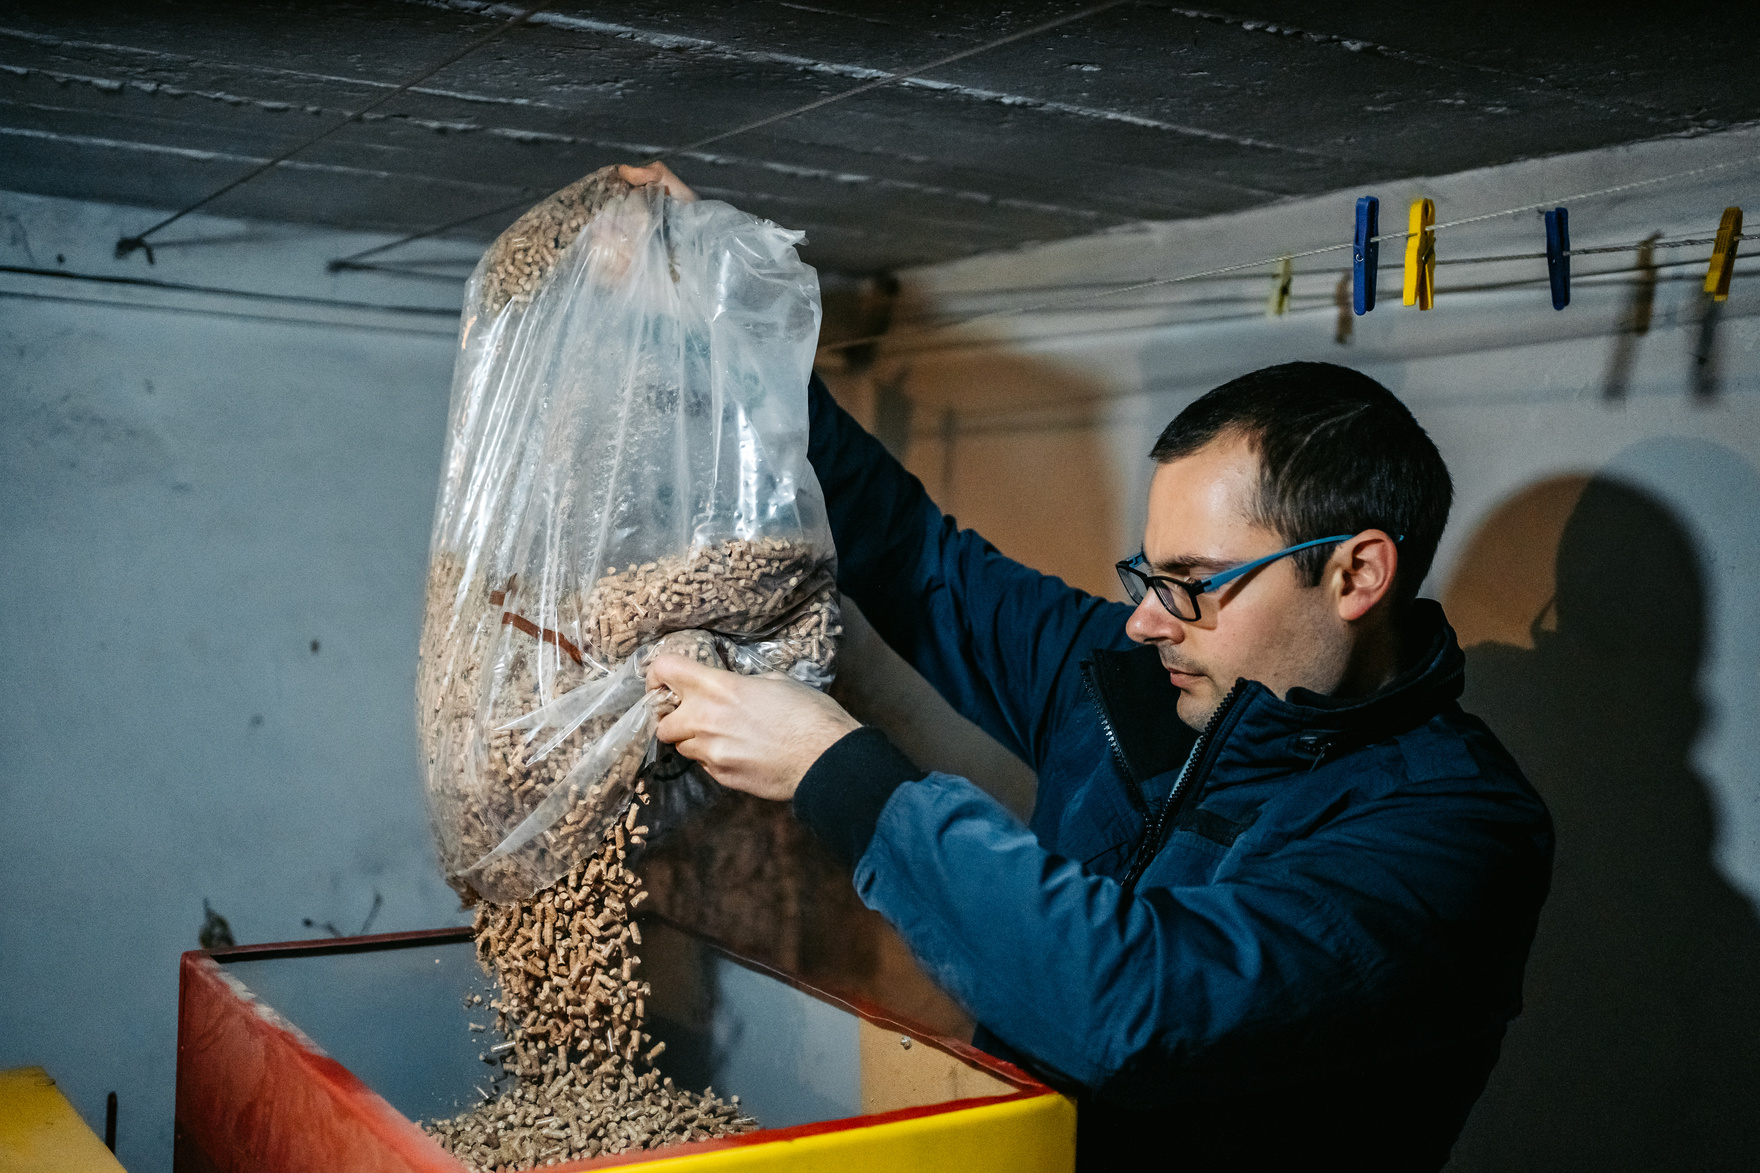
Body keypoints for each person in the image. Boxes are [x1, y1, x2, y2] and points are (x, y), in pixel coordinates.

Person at [632, 165, 1552, 1173]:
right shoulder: (1132, 672)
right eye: (1146, 574)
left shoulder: (1452, 836)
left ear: (1353, 574)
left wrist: (836, 770)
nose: (1144, 622)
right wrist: (721, 323)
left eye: (1193, 582)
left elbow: (1132, 1006)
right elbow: (917, 561)